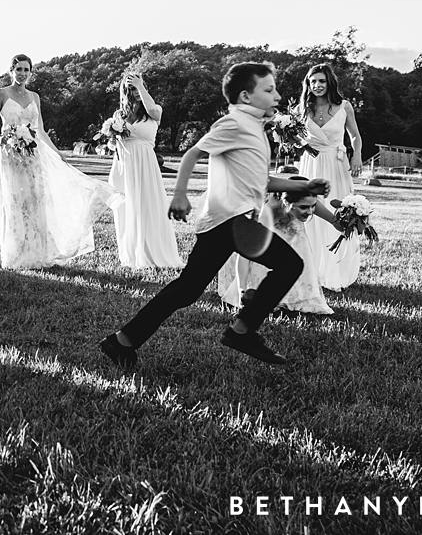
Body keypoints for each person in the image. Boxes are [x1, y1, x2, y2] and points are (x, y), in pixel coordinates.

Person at [100, 62, 329, 368]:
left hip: (223, 223)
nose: (276, 96)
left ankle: (122, 340)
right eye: (269, 89)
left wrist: (304, 184)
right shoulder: (233, 125)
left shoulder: (255, 130)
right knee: (290, 264)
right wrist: (180, 194)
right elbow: (194, 153)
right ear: (246, 97)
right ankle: (242, 330)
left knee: (187, 290)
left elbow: (260, 181)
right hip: (229, 220)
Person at [0, 54, 119, 269]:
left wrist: (57, 152)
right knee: (16, 201)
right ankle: (16, 255)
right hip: (10, 156)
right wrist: (5, 139)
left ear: (30, 72)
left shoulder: (35, 97)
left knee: (36, 200)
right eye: (18, 69)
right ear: (11, 71)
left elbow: (40, 130)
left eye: (26, 70)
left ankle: (37, 253)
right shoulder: (1, 94)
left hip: (32, 154)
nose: (22, 74)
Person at [217, 178, 335, 316]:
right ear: (287, 202)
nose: (310, 212)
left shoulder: (303, 202)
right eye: (304, 207)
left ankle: (298, 295)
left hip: (286, 217)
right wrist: (241, 289)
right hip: (255, 229)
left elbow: (315, 205)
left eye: (312, 206)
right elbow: (245, 254)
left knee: (298, 245)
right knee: (263, 251)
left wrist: (341, 221)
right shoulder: (266, 213)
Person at [297, 64, 363, 290]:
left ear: (330, 83)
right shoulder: (303, 108)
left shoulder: (344, 106)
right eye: (312, 81)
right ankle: (310, 270)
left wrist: (357, 156)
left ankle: (338, 270)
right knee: (309, 214)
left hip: (336, 165)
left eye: (321, 81)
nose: (317, 85)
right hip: (310, 166)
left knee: (337, 213)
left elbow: (355, 136)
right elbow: (298, 139)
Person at [107, 71, 182, 269]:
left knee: (147, 207)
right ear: (125, 91)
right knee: (126, 209)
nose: (134, 92)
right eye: (130, 88)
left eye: (137, 87)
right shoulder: (119, 115)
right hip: (124, 166)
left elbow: (155, 112)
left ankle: (151, 253)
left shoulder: (153, 110)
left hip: (145, 165)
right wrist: (112, 136)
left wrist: (140, 86)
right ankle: (131, 253)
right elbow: (113, 145)